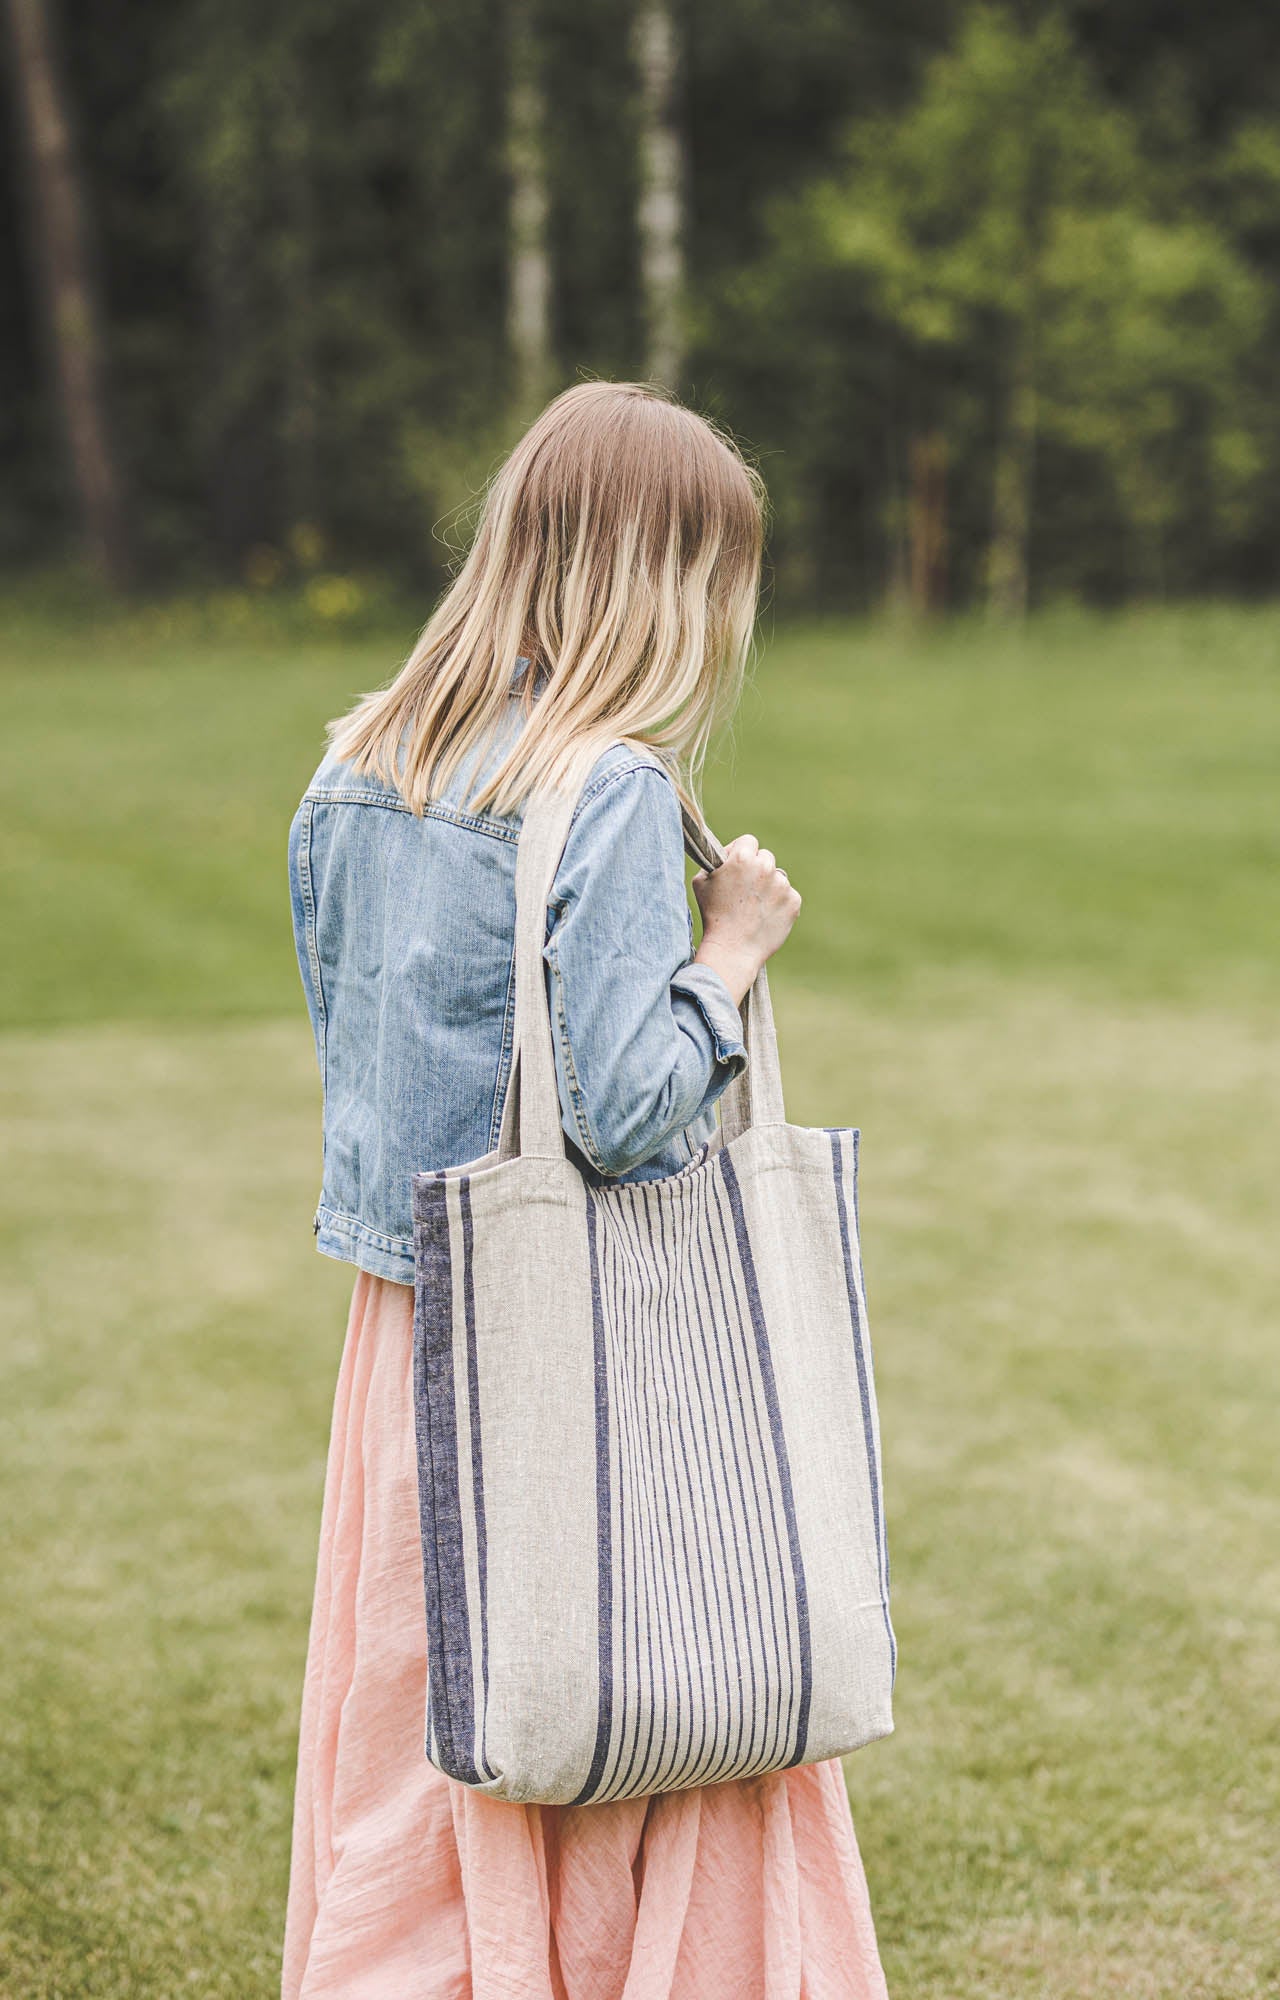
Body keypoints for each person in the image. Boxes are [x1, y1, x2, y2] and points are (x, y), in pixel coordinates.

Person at [282, 381, 888, 1998]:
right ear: (662, 579)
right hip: (573, 1355)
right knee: (651, 1682)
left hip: (409, 1331)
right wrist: (727, 955)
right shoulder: (602, 789)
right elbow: (621, 1116)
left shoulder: (359, 762)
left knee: (438, 1721)